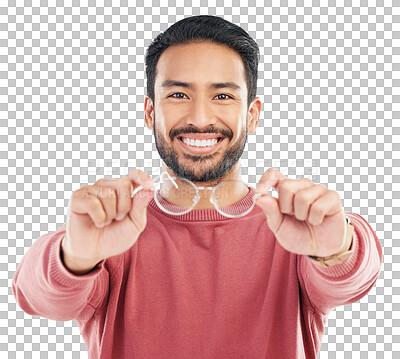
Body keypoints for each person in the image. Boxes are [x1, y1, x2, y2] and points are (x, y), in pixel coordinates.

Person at [12, 15, 382, 358]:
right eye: (178, 95)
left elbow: (354, 279)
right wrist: (74, 259)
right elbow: (38, 297)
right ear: (149, 112)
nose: (200, 118)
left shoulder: (295, 233)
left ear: (251, 114)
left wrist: (337, 250)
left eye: (222, 96)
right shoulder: (111, 230)